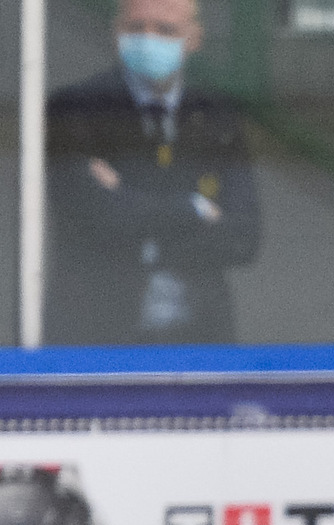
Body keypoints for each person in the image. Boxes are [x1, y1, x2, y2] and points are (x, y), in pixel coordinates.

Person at [43, 0, 260, 346]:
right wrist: (194, 209)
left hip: (201, 340)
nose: (148, 39)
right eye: (135, 28)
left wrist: (133, 215)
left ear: (194, 39)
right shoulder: (75, 108)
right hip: (97, 340)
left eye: (165, 30)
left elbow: (244, 237)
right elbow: (90, 215)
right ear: (116, 33)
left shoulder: (218, 115)